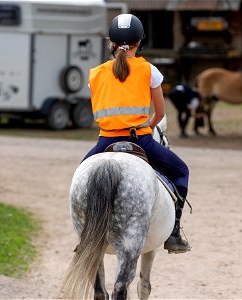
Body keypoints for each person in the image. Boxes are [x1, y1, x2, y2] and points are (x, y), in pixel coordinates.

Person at [83, 14, 191, 254]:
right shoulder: (149, 71)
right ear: (140, 42)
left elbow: (98, 112)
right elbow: (160, 113)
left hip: (106, 141)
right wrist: (148, 127)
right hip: (140, 139)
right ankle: (173, 233)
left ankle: (85, 236)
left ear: (110, 42)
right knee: (182, 171)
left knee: (80, 180)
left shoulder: (95, 74)